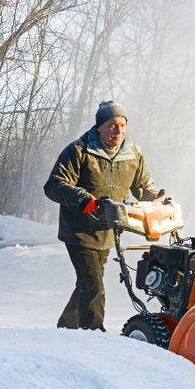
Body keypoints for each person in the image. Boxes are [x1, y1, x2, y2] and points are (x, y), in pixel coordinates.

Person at [44, 101, 166, 331]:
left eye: (122, 125)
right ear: (99, 126)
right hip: (78, 231)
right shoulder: (79, 150)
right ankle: (94, 334)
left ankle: (66, 328)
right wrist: (85, 200)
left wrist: (157, 198)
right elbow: (54, 185)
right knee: (93, 285)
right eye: (112, 125)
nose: (118, 132)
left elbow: (143, 187)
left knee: (88, 283)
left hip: (107, 231)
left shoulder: (133, 154)